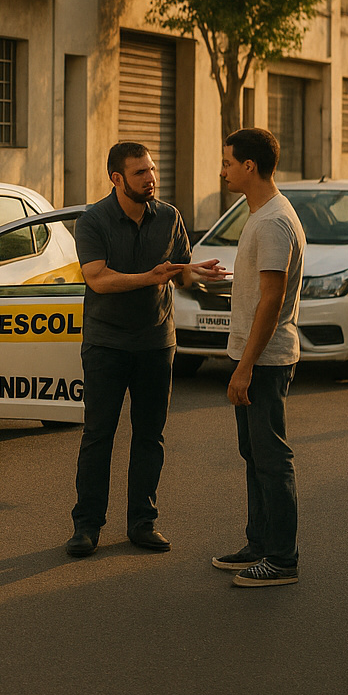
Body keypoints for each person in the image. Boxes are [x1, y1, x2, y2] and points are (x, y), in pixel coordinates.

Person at [66, 142, 226, 557]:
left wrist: (198, 273)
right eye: (140, 173)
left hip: (157, 343)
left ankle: (142, 523)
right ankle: (87, 527)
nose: (151, 179)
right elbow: (98, 280)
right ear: (117, 179)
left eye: (152, 170)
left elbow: (181, 277)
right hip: (106, 344)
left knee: (150, 436)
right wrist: (151, 276)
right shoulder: (93, 221)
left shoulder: (170, 217)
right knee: (98, 436)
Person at [212, 128, 305, 587]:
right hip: (254, 356)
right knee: (254, 454)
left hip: (265, 360)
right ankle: (259, 543)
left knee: (271, 457)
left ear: (249, 167)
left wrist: (245, 368)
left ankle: (282, 559)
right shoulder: (261, 214)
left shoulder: (272, 221)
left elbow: (272, 299)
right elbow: (259, 288)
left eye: (228, 162)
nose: (222, 169)